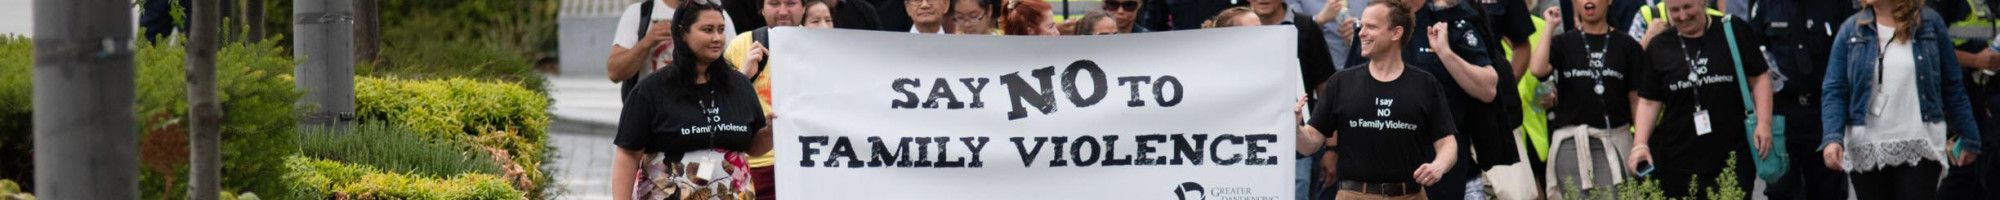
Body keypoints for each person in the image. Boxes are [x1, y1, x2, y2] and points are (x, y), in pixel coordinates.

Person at [1821, 0, 1983, 199]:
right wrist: (1832, 138)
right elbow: (1835, 89)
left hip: (1921, 141)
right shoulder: (1851, 29)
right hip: (1866, 145)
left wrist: (1969, 136)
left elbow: (1952, 84)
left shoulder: (1930, 23)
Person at [611, 1, 771, 200]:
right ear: (683, 33)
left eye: (721, 30)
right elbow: (627, 156)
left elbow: (754, 147)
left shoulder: (739, 84)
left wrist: (771, 132)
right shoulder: (650, 90)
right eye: (707, 30)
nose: (717, 38)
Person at [1304, 1, 1459, 199]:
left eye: (1371, 27)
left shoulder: (1425, 84)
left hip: (1410, 195)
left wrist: (1439, 166)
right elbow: (1310, 143)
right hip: (1354, 195)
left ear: (1396, 33)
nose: (1361, 33)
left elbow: (1448, 143)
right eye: (1361, 26)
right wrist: (1293, 125)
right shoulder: (1341, 82)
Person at [1625, 0, 1774, 198]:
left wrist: (1764, 123)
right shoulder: (1660, 45)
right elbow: (1649, 101)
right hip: (1678, 159)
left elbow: (1759, 77)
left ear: (1703, 2)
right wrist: (1640, 144)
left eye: (1688, 7)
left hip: (1731, 155)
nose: (1683, 16)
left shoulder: (1732, 29)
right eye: (1675, 11)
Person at [1525, 0, 1644, 197]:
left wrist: (1640, 142)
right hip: (1571, 142)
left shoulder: (1627, 45)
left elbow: (1636, 100)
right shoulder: (1563, 42)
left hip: (1613, 139)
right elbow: (1537, 69)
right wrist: (1549, 27)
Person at [1750, 0, 1854, 199]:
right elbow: (1755, 60)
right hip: (1782, 115)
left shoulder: (1838, 4)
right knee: (1781, 190)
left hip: (1824, 113)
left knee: (1829, 190)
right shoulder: (1764, 4)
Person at [720, 0, 806, 198]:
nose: (783, 11)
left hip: (808, 162)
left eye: (791, 3)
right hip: (757, 165)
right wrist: (743, 75)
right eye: (774, 3)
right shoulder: (741, 44)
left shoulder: (821, 45)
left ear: (804, 7)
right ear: (761, 8)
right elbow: (721, 106)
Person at [609, 0, 739, 99]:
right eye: (708, 29)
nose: (716, 35)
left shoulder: (716, 15)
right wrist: (646, 42)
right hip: (653, 113)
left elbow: (735, 70)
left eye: (720, 30)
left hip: (702, 110)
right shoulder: (639, 13)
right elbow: (615, 73)